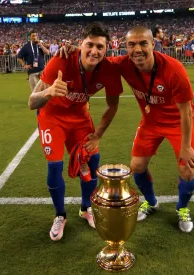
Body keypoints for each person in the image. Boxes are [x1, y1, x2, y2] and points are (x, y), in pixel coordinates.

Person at [57, 26, 194, 233]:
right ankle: (151, 203)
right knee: (137, 167)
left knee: (187, 169)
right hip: (150, 122)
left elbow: (186, 111)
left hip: (179, 123)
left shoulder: (173, 68)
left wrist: (186, 146)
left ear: (153, 44)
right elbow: (94, 57)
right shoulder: (123, 64)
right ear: (125, 47)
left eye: (143, 43)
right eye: (132, 44)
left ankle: (182, 207)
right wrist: (73, 51)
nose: (138, 49)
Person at [28, 23, 123, 241]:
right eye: (89, 45)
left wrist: (98, 134)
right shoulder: (61, 60)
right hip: (52, 118)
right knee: (54, 167)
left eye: (100, 47)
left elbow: (113, 105)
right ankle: (60, 215)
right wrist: (50, 91)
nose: (94, 51)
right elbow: (32, 102)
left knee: (92, 161)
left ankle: (86, 208)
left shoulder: (108, 69)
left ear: (107, 49)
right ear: (80, 45)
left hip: (80, 118)